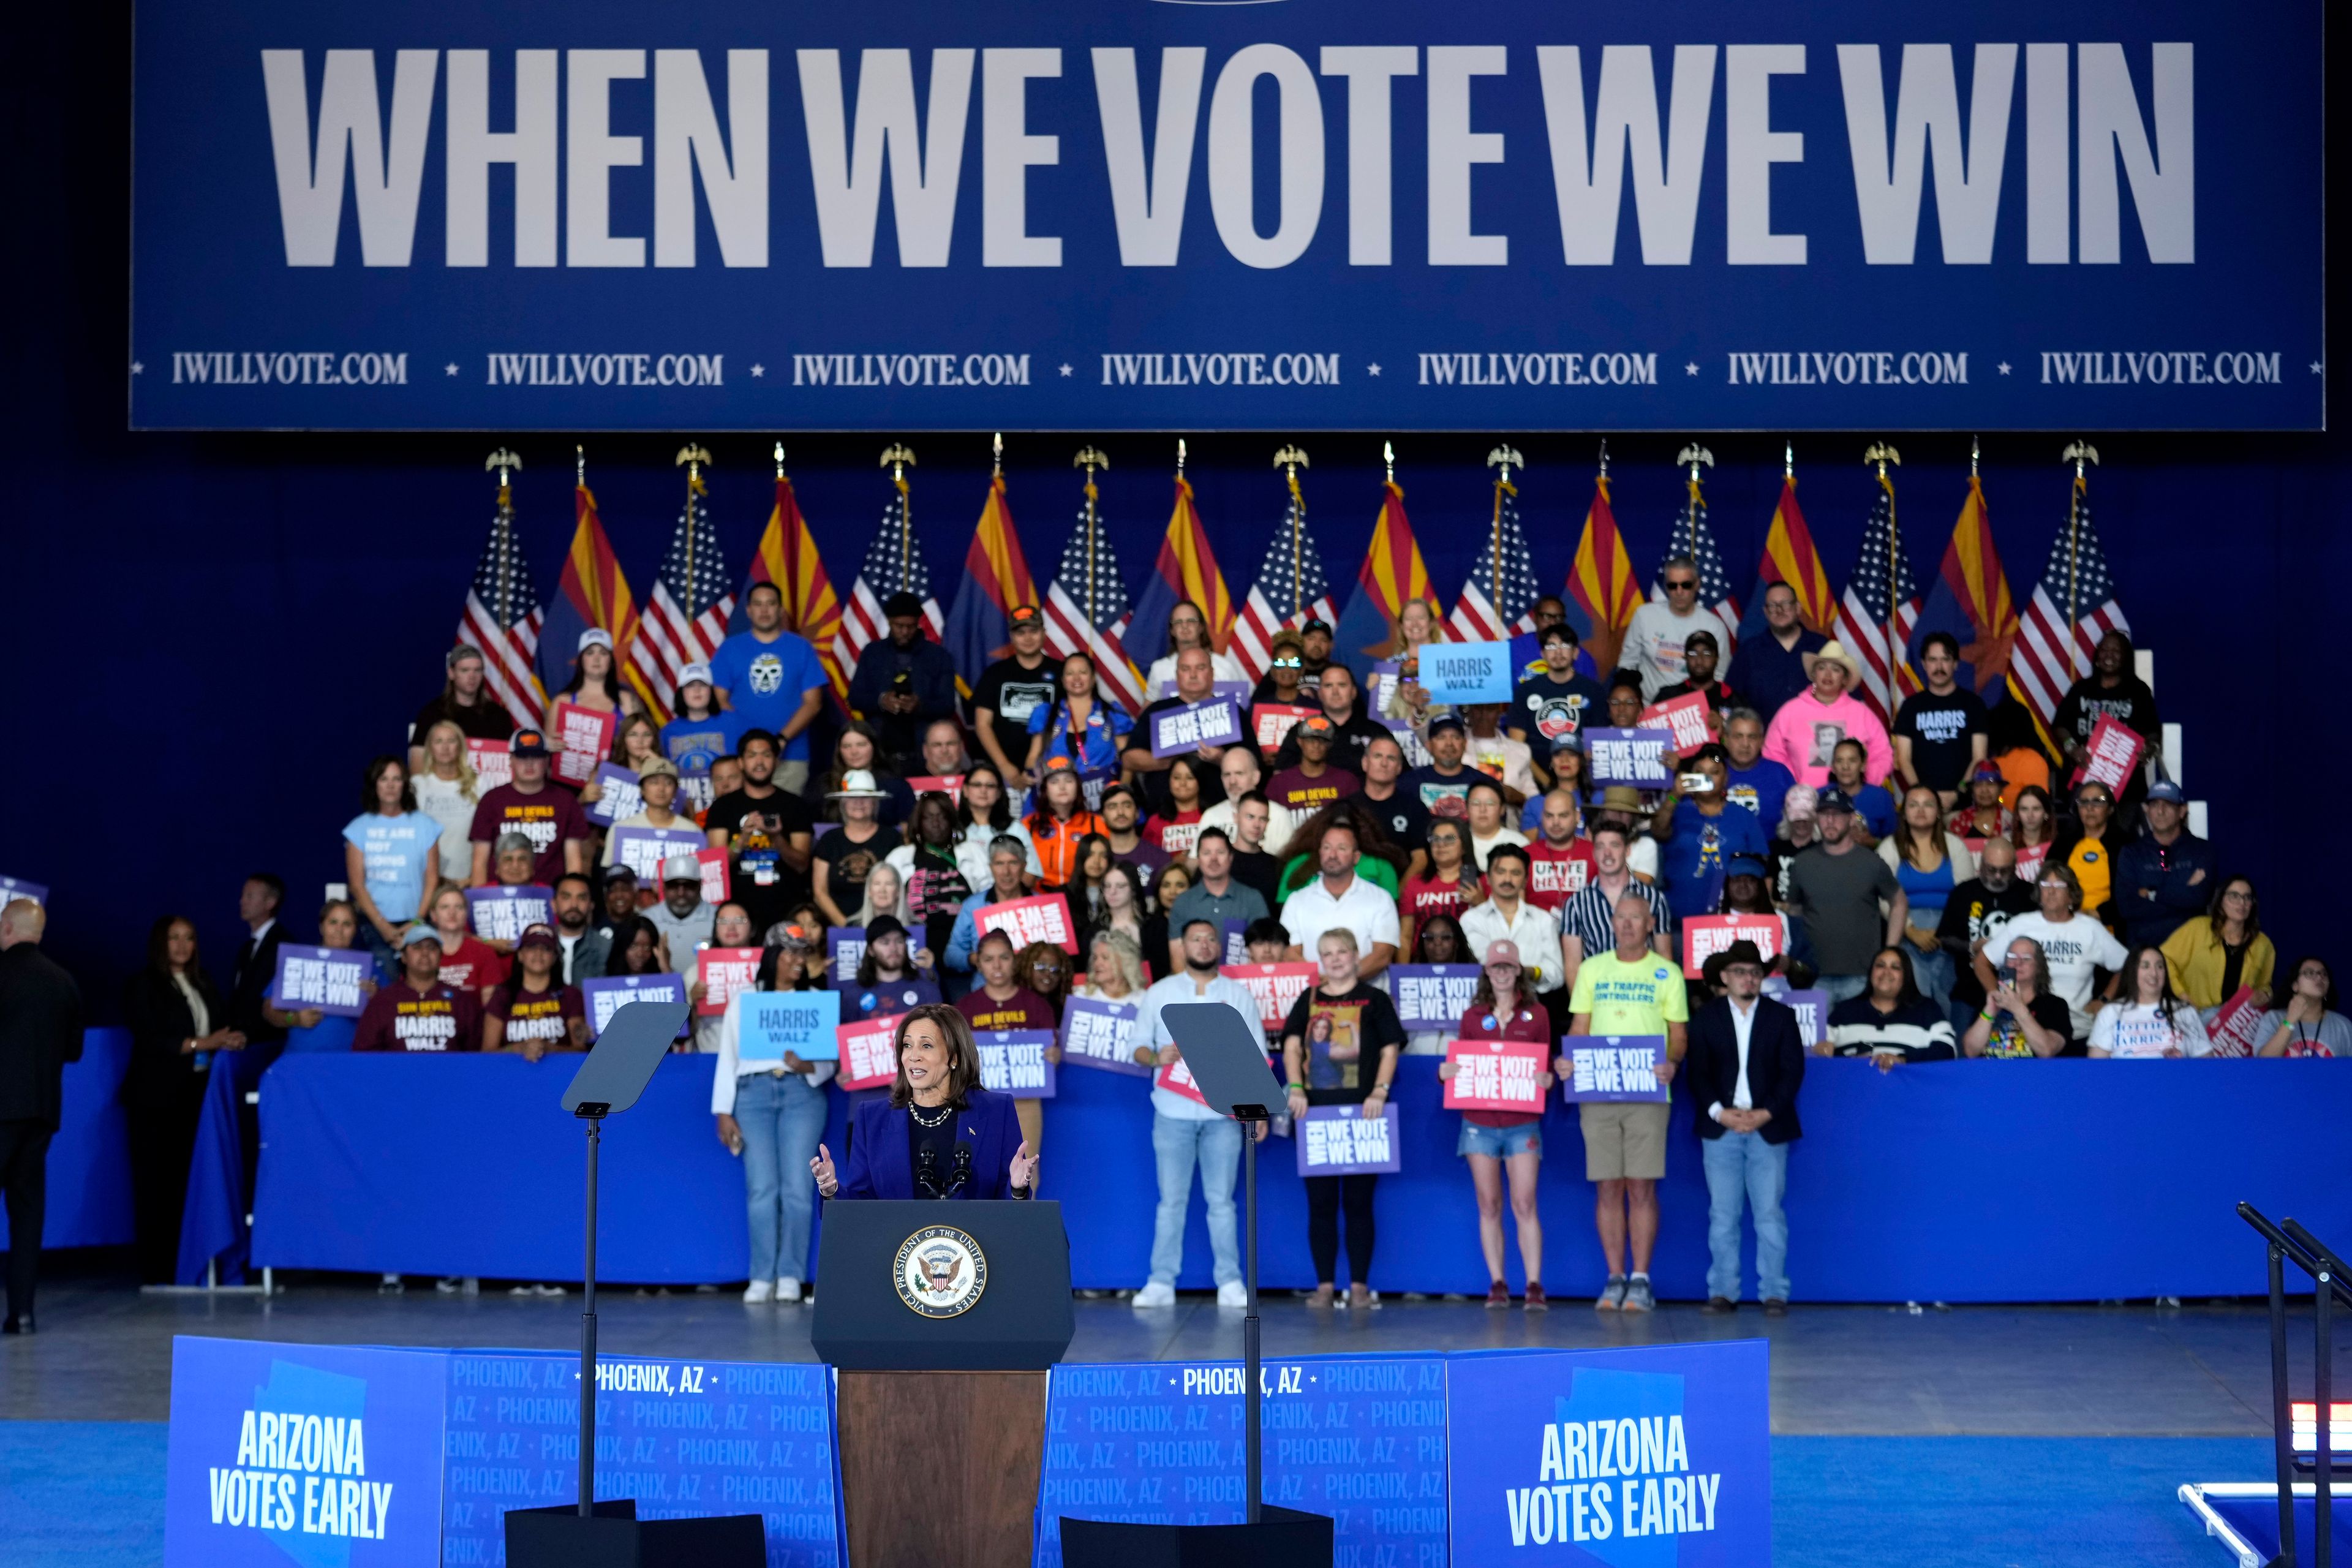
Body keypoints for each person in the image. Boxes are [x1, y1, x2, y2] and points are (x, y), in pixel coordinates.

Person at [1128, 919, 1265, 1309]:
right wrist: (1159, 1056)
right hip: (1171, 1113)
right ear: (1181, 946)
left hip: (1222, 1117)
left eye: (1210, 939)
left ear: (1219, 946)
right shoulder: (1160, 993)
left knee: (1222, 1202)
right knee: (1170, 1202)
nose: (1204, 945)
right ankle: (1160, 1282)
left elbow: (1253, 1058)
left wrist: (1258, 1113)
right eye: (1195, 939)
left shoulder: (1238, 996)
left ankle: (1231, 1281)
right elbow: (1136, 1048)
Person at [1562, 898, 1687, 1313]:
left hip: (1648, 1092)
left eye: (1637, 917)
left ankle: (1641, 1279)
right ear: (1612, 923)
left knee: (1642, 1186)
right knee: (1608, 1186)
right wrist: (1569, 1061)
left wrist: (1673, 1062)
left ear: (1651, 924)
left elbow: (1678, 1032)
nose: (1629, 924)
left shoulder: (1667, 972)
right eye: (1622, 917)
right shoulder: (1592, 969)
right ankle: (1614, 1277)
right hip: (1598, 1090)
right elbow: (1579, 1027)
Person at [1281, 929, 1406, 1310]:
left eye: (1342, 952)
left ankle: (1359, 1286)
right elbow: (1291, 1046)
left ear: (1356, 956)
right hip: (1315, 1116)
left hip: (1364, 1116)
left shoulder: (1375, 999)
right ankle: (1323, 1285)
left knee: (1358, 1203)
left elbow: (1389, 1048)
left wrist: (1380, 1091)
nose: (1335, 959)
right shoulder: (1309, 999)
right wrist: (1296, 1088)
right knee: (1319, 1204)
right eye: (1327, 953)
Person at [712, 936, 837, 1303]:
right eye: (790, 954)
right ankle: (762, 1275)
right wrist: (723, 1111)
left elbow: (831, 1060)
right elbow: (727, 1056)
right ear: (772, 957)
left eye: (802, 954)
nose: (798, 960)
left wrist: (808, 1065)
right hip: (753, 1096)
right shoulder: (745, 999)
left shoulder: (814, 998)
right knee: (762, 1188)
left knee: (799, 1188)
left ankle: (790, 1275)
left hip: (802, 1094)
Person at [810, 1005, 1039, 1200]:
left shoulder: (997, 1111)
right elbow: (863, 1203)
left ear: (954, 1057)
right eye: (907, 1045)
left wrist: (1017, 1189)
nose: (913, 1056)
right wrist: (832, 1191)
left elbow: (1008, 1206)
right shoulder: (872, 1117)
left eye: (926, 1046)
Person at [1686, 941, 1804, 1315]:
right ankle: (1723, 1291)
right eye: (1740, 972)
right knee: (1723, 1215)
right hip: (1721, 1126)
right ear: (1724, 977)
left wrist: (1765, 1112)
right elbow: (1697, 1073)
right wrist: (1721, 1112)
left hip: (1768, 1126)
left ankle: (1774, 1292)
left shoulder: (1781, 1017)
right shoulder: (1706, 1018)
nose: (1748, 979)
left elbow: (1792, 1073)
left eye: (1754, 973)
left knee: (1769, 1214)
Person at [122, 915, 241, 1283]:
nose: (181, 945)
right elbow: (149, 1037)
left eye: (189, 938)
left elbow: (219, 1025)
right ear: (161, 943)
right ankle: (156, 1270)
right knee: (156, 1184)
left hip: (196, 1096)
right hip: (155, 1099)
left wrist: (231, 1039)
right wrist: (201, 1045)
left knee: (187, 1182)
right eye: (174, 938)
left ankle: (187, 1265)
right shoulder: (144, 985)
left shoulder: (203, 982)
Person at [1438, 940, 1556, 1310]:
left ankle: (1534, 1284)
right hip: (1478, 1123)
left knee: (1524, 1202)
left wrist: (1547, 1079)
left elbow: (1544, 1066)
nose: (1502, 973)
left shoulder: (1538, 1015)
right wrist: (1447, 1073)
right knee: (1489, 1204)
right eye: (1495, 967)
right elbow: (1460, 1066)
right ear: (1486, 972)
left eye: (1508, 966)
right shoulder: (1473, 1017)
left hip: (1523, 1122)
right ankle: (1498, 1282)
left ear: (1518, 970)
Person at [0, 900, 83, 1332]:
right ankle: (23, 1314)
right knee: (28, 1213)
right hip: (43, 1114)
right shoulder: (64, 982)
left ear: (7, 928)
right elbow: (74, 1051)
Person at [1781, 788, 1908, 1004]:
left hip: (1862, 974)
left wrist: (1890, 951)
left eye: (1837, 814)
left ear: (1851, 819)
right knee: (1819, 1039)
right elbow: (1794, 912)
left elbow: (1899, 903)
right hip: (1815, 976)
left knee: (1860, 1037)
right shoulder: (1801, 864)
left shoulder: (1871, 862)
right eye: (1824, 814)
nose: (1830, 821)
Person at [709, 579, 829, 792]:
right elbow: (719, 700)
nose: (764, 610)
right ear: (748, 610)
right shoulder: (730, 648)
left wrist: (781, 740)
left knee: (785, 819)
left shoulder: (801, 648)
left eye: (770, 603)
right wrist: (752, 745)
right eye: (758, 604)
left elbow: (814, 703)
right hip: (741, 755)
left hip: (791, 755)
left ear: (780, 610)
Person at [1996, 862, 2127, 1043]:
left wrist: (2104, 1000)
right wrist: (1997, 1000)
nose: (2051, 891)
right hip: (2024, 1029)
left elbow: (2129, 965)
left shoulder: (2090, 929)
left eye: (2059, 886)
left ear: (2072, 895)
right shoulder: (2021, 924)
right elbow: (1982, 962)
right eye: (2045, 885)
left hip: (2078, 1029)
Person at [706, 729, 818, 933]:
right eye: (752, 755)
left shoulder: (796, 805)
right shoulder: (723, 807)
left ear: (777, 761)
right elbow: (716, 866)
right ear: (740, 763)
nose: (759, 762)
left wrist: (776, 838)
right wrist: (741, 840)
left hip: (787, 909)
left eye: (766, 755)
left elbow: (802, 865)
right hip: (737, 913)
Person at [957, 930, 1058, 1151]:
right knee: (979, 1171)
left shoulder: (1036, 1006)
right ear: (979, 965)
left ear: (1014, 961)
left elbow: (1054, 1053)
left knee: (1026, 1172)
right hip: (977, 1102)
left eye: (1004, 958)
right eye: (988, 959)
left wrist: (1055, 1056)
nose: (997, 966)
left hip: (1025, 1102)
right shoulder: (965, 1008)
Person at [1878, 785, 1975, 1013]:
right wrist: (1910, 931)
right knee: (1912, 1002)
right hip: (1905, 932)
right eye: (1913, 805)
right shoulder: (1889, 847)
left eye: (1928, 804)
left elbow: (1966, 896)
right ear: (1904, 813)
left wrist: (1943, 932)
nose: (1921, 810)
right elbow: (1883, 898)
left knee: (1948, 1002)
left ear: (1939, 812)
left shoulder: (1955, 847)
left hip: (1949, 936)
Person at [344, 756, 440, 979]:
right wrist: (384, 928)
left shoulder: (425, 825)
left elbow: (432, 879)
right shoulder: (358, 828)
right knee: (385, 993)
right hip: (375, 926)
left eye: (396, 779)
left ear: (405, 785)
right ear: (374, 784)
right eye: (384, 779)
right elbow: (357, 886)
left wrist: (416, 921)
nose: (390, 785)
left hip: (418, 922)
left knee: (420, 986)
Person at [1650, 744, 1769, 924]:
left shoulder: (1743, 816)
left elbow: (1763, 867)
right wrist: (1674, 795)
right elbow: (1658, 831)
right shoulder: (1677, 810)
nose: (1706, 777)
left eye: (1714, 772)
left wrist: (1763, 913)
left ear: (1725, 779)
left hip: (1732, 921)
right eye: (1700, 771)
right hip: (1678, 919)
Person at [2051, 630, 2161, 818]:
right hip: (2083, 784)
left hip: (2126, 789)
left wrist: (2149, 748)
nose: (2109, 655)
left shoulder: (2138, 691)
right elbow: (2059, 725)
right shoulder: (2080, 689)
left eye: (2116, 651)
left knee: (2121, 842)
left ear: (2125, 658)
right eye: (2104, 650)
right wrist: (2072, 748)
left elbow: (2153, 731)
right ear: (2097, 656)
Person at [848, 592, 960, 769]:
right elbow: (855, 698)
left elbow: (947, 704)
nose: (905, 632)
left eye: (911, 626)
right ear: (889, 622)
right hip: (880, 750)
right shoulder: (873, 653)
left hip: (923, 753)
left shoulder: (939, 656)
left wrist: (919, 706)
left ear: (918, 623)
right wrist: (882, 701)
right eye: (899, 626)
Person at [1559, 823, 1675, 993]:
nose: (1607, 853)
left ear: (1627, 851)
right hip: (1598, 995)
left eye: (1615, 845)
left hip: (1643, 992)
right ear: (1593, 853)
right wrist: (1584, 1011)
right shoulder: (1576, 903)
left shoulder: (1653, 898)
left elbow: (1664, 956)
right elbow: (1572, 966)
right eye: (1600, 847)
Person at [1760, 641, 1893, 790]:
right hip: (1803, 801)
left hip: (1852, 799)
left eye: (1835, 669)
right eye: (1822, 668)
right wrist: (1791, 786)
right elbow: (1772, 753)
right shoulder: (1790, 710)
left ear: (1844, 679)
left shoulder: (1862, 713)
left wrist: (1865, 782)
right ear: (1814, 675)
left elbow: (1883, 753)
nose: (1828, 674)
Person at [468, 728, 591, 888]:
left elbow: (574, 862)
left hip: (550, 898)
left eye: (537, 756)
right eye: (522, 757)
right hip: (499, 898)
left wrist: (567, 903)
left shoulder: (566, 800)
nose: (529, 763)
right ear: (510, 760)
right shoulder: (491, 800)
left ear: (547, 760)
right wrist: (480, 902)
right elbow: (479, 863)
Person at [1126, 646, 1238, 820]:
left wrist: (1221, 759)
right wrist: (1169, 760)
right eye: (1186, 669)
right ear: (1177, 675)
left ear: (1212, 673)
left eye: (1200, 668)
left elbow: (1254, 763)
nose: (1193, 675)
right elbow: (1129, 758)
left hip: (1222, 814)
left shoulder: (1233, 712)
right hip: (1164, 817)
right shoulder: (1156, 711)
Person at [1278, 820, 1400, 976]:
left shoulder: (1381, 899)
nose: (1333, 855)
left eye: (1341, 848)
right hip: (1314, 995)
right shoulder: (1297, 900)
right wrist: (1322, 984)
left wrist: (1342, 983)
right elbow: (1290, 954)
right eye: (1327, 848)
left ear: (1356, 857)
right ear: (1320, 853)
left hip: (1366, 996)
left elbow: (1382, 955)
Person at [1936, 837, 2036, 1025]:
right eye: (1992, 870)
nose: (1998, 876)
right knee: (1964, 1050)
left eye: (2004, 871)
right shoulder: (1963, 892)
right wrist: (1972, 947)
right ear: (1981, 865)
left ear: (2015, 867)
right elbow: (1945, 938)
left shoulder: (2030, 895)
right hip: (1969, 990)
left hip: (2020, 993)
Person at [2111, 780, 2215, 949]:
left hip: (2191, 950)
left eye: (2168, 805)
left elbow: (2199, 899)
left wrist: (2151, 894)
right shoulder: (2131, 853)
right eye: (2154, 805)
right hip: (2144, 952)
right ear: (2147, 810)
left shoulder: (2203, 850)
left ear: (2182, 811)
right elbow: (2127, 907)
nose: (2160, 811)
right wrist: (2183, 891)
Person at [263, 900, 376, 1054]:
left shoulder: (368, 967)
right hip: (300, 1057)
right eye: (333, 922)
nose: (339, 930)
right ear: (322, 927)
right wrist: (295, 1019)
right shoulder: (298, 962)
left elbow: (389, 1013)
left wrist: (377, 996)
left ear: (355, 930)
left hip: (349, 1059)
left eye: (347, 924)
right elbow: (268, 1009)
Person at [1890, 633, 1990, 806]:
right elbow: (1904, 758)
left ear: (1956, 664)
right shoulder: (1911, 707)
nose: (1939, 666)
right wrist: (1925, 797)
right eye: (1933, 660)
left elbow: (1979, 757)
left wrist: (1959, 792)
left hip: (1965, 803)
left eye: (1945, 659)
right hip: (1922, 806)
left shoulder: (1974, 704)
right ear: (1924, 664)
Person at [353, 924, 485, 1053]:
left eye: (432, 947)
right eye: (417, 947)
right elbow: (364, 1055)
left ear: (440, 956)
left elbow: (477, 1058)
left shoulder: (461, 1001)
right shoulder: (383, 1002)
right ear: (403, 956)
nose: (425, 952)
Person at [970, 605, 1060, 791]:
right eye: (1021, 633)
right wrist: (1005, 767)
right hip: (1001, 773)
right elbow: (982, 724)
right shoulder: (995, 674)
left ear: (1044, 633)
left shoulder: (1062, 673)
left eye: (1033, 631)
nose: (1028, 638)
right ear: (1011, 636)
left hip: (1052, 771)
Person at [1619, 556, 1732, 701]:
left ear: (1697, 584)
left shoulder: (1714, 626)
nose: (1679, 592)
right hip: (1648, 709)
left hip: (1694, 711)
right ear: (1666, 586)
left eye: (1686, 585)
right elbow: (1627, 664)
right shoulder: (1644, 616)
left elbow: (1720, 675)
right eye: (1673, 585)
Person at [1458, 845, 1563, 998]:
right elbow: (1479, 966)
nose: (1507, 879)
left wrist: (1532, 972)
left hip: (1534, 1001)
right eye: (1501, 872)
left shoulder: (1543, 919)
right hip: (1486, 1000)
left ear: (1526, 880)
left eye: (1515, 873)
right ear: (1487, 877)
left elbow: (1556, 973)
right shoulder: (1471, 919)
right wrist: (1518, 970)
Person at [1820, 947, 1956, 1065]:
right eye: (1880, 965)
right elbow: (1820, 1052)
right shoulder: (1844, 1011)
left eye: (1895, 967)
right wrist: (1851, 1062)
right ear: (1871, 972)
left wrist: (1903, 1060)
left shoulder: (1928, 1010)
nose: (1886, 972)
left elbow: (1948, 1050)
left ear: (1907, 976)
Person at [2163, 876, 2275, 1018]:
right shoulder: (2197, 928)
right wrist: (2182, 994)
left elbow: (2265, 985)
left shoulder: (2263, 944)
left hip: (2234, 1025)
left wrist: (2265, 995)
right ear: (2221, 899)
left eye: (2247, 897)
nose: (2242, 903)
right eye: (2234, 896)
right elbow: (2164, 960)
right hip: (2195, 1016)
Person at [1512, 623, 1607, 786]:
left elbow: (1599, 744)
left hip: (1582, 781)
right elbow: (1517, 746)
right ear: (1542, 653)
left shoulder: (1594, 691)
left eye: (1564, 645)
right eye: (1551, 646)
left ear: (1576, 653)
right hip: (1534, 780)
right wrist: (1546, 782)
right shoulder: (1525, 691)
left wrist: (1574, 784)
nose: (1558, 652)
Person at [1025, 651, 1131, 797]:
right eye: (1070, 673)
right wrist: (1034, 780)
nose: (1076, 678)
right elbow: (1033, 757)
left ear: (1093, 678)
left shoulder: (1113, 713)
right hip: (1058, 799)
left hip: (1104, 798)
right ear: (1063, 680)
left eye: (1083, 672)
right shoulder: (1046, 713)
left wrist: (1120, 792)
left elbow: (1128, 760)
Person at [885, 792, 976, 962]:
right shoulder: (900, 857)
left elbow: (988, 900)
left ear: (951, 821)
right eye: (928, 818)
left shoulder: (972, 853)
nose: (936, 824)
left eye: (942, 817)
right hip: (914, 949)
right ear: (918, 823)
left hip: (967, 948)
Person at [1166, 829, 1269, 972]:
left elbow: (1263, 954)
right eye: (1207, 853)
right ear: (1199, 859)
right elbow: (1178, 962)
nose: (1214, 859)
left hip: (1243, 985)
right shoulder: (1183, 902)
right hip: (1196, 990)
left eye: (1220, 852)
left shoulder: (1252, 898)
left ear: (1231, 857)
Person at [409, 645, 522, 773]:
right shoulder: (431, 713)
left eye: (477, 670)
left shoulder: (499, 716)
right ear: (451, 673)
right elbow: (417, 765)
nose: (472, 676)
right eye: (465, 670)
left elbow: (511, 761)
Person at [1726, 582, 1826, 723]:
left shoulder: (1822, 647)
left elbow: (1846, 695)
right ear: (1766, 612)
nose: (1779, 610)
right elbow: (1729, 698)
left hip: (1815, 739)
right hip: (1762, 740)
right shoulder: (1748, 652)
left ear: (1797, 608)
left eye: (1785, 604)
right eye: (1773, 606)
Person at [812, 771, 902, 927]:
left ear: (875, 803)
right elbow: (820, 892)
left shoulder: (892, 838)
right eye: (852, 798)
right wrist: (847, 926)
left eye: (865, 798)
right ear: (843, 803)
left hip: (885, 928)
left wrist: (881, 929)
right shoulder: (830, 840)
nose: (859, 803)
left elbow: (900, 886)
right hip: (840, 927)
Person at [1962, 935, 2075, 1059]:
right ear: (2005, 964)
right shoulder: (1989, 1001)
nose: (2018, 963)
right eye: (2012, 957)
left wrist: (2019, 1009)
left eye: (2026, 958)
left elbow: (2046, 1050)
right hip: (1992, 1074)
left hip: (2033, 1076)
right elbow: (1970, 1051)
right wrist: (1989, 1011)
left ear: (2039, 967)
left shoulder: (2055, 1005)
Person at [483, 924, 588, 1057]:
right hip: (511, 1075)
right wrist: (517, 1048)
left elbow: (581, 1053)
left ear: (555, 957)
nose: (539, 954)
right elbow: (485, 1056)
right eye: (532, 947)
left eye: (546, 948)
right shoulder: (502, 996)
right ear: (520, 955)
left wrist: (550, 1049)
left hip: (561, 1075)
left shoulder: (571, 996)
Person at [2089, 946, 2212, 1057]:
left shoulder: (2184, 1011)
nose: (2154, 973)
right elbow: (2096, 1070)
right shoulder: (2111, 1012)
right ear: (2132, 972)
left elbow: (2207, 1066)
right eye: (2145, 966)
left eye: (2159, 966)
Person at [944, 836, 1034, 984]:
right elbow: (951, 954)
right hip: (986, 992)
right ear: (990, 867)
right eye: (999, 863)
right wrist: (974, 959)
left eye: (1013, 863)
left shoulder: (1042, 904)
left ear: (1024, 866)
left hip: (1032, 989)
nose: (1006, 872)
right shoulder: (973, 906)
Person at [1271, 664, 1387, 777]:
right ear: (1320, 694)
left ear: (1353, 692)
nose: (1335, 692)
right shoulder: (1301, 731)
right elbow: (1280, 779)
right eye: (1328, 686)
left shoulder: (1377, 732)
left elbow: (1400, 773)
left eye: (1342, 685)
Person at [411, 720, 486, 885]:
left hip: (470, 880)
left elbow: (487, 836)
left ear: (460, 746)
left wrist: (473, 880)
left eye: (451, 741)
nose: (445, 747)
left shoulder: (479, 784)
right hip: (427, 883)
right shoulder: (417, 785)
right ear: (430, 748)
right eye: (439, 741)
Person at [1400, 818, 1481, 960]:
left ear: (1464, 846)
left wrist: (1480, 902)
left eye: (1449, 839)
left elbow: (1495, 927)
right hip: (1423, 962)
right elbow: (1406, 937)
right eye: (1435, 839)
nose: (1441, 844)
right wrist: (1401, 975)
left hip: (1468, 962)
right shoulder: (1415, 883)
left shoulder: (1482, 882)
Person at [1200, 748, 1298, 861]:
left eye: (1239, 774)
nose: (1233, 782)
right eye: (1227, 775)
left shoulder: (1279, 815)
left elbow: (1289, 864)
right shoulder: (1210, 816)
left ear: (1256, 777)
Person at [227, 872, 288, 1052]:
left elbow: (278, 1004)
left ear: (270, 903)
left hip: (265, 1045)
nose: (242, 901)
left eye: (250, 896)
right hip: (241, 1040)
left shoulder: (283, 946)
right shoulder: (247, 948)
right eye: (243, 896)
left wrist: (250, 1035)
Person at [1351, 734, 1431, 871]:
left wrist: (1398, 891)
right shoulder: (1348, 807)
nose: (1384, 763)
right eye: (1377, 756)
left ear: (1399, 768)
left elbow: (1421, 859)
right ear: (1365, 763)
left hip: (1401, 888)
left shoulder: (1415, 808)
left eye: (1391, 758)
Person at [1025, 758, 1104, 892]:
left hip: (1083, 897)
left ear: (1078, 786)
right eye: (1054, 782)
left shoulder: (1096, 823)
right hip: (1041, 898)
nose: (1062, 787)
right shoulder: (1029, 825)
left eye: (1069, 780)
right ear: (1045, 789)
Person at [2050, 780, 2126, 920]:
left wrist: (2100, 914)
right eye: (2084, 802)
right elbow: (2048, 884)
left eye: (2098, 801)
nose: (2090, 808)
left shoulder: (2125, 845)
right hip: (2066, 923)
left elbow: (2130, 894)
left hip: (2109, 927)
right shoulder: (2062, 843)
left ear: (2110, 809)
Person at [601, 756, 698, 866]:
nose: (661, 788)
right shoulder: (621, 829)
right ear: (642, 789)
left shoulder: (692, 831)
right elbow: (609, 873)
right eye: (654, 782)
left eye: (668, 783)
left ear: (675, 791)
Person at [544, 628, 641, 735]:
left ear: (611, 661)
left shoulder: (627, 701)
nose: (597, 659)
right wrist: (550, 745)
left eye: (603, 653)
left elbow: (643, 742)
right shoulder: (561, 702)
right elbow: (548, 746)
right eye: (590, 653)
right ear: (581, 660)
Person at [1144, 599, 1248, 695]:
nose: (1185, 626)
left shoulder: (1225, 666)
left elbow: (1240, 709)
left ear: (1201, 626)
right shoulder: (1159, 669)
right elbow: (1149, 712)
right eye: (1178, 622)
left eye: (1191, 621)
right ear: (1172, 630)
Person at [955, 763, 1039, 881]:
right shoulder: (953, 830)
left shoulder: (1015, 829)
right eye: (977, 785)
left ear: (999, 792)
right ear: (965, 790)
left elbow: (1030, 876)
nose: (983, 790)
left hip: (1010, 897)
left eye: (990, 786)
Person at [657, 661, 740, 782]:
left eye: (702, 685)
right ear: (681, 693)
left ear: (711, 691)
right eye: (690, 686)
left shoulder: (734, 723)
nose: (697, 690)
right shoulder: (667, 732)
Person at [2254, 958, 2351, 1058]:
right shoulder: (2273, 1018)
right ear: (2295, 985)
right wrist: (2290, 1020)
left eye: (2324, 974)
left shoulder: (2343, 1025)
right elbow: (2264, 1063)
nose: (2319, 977)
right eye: (2310, 973)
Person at [1720, 709, 1795, 837]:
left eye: (1752, 737)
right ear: (1726, 740)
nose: (1745, 744)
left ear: (1761, 741)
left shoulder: (1779, 773)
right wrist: (1672, 797)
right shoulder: (1714, 772)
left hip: (1771, 852)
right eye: (1738, 737)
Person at [421, 884, 503, 996]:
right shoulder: (422, 953)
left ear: (466, 913)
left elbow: (491, 1005)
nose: (452, 913)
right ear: (433, 915)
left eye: (459, 907)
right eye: (445, 907)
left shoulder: (484, 952)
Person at [1268, 715, 1355, 814]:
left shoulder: (1347, 782)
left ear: (1330, 744)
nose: (1316, 745)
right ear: (1300, 741)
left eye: (1322, 740)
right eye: (1311, 740)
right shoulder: (1279, 783)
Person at [646, 855, 716, 973]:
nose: (681, 893)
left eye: (689, 885)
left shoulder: (718, 918)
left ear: (700, 885)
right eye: (673, 885)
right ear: (663, 886)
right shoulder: (647, 919)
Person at [1403, 714, 1481, 820]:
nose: (1449, 743)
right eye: (1441, 737)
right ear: (1429, 745)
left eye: (1455, 737)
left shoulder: (1483, 783)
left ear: (1465, 744)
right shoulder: (1407, 784)